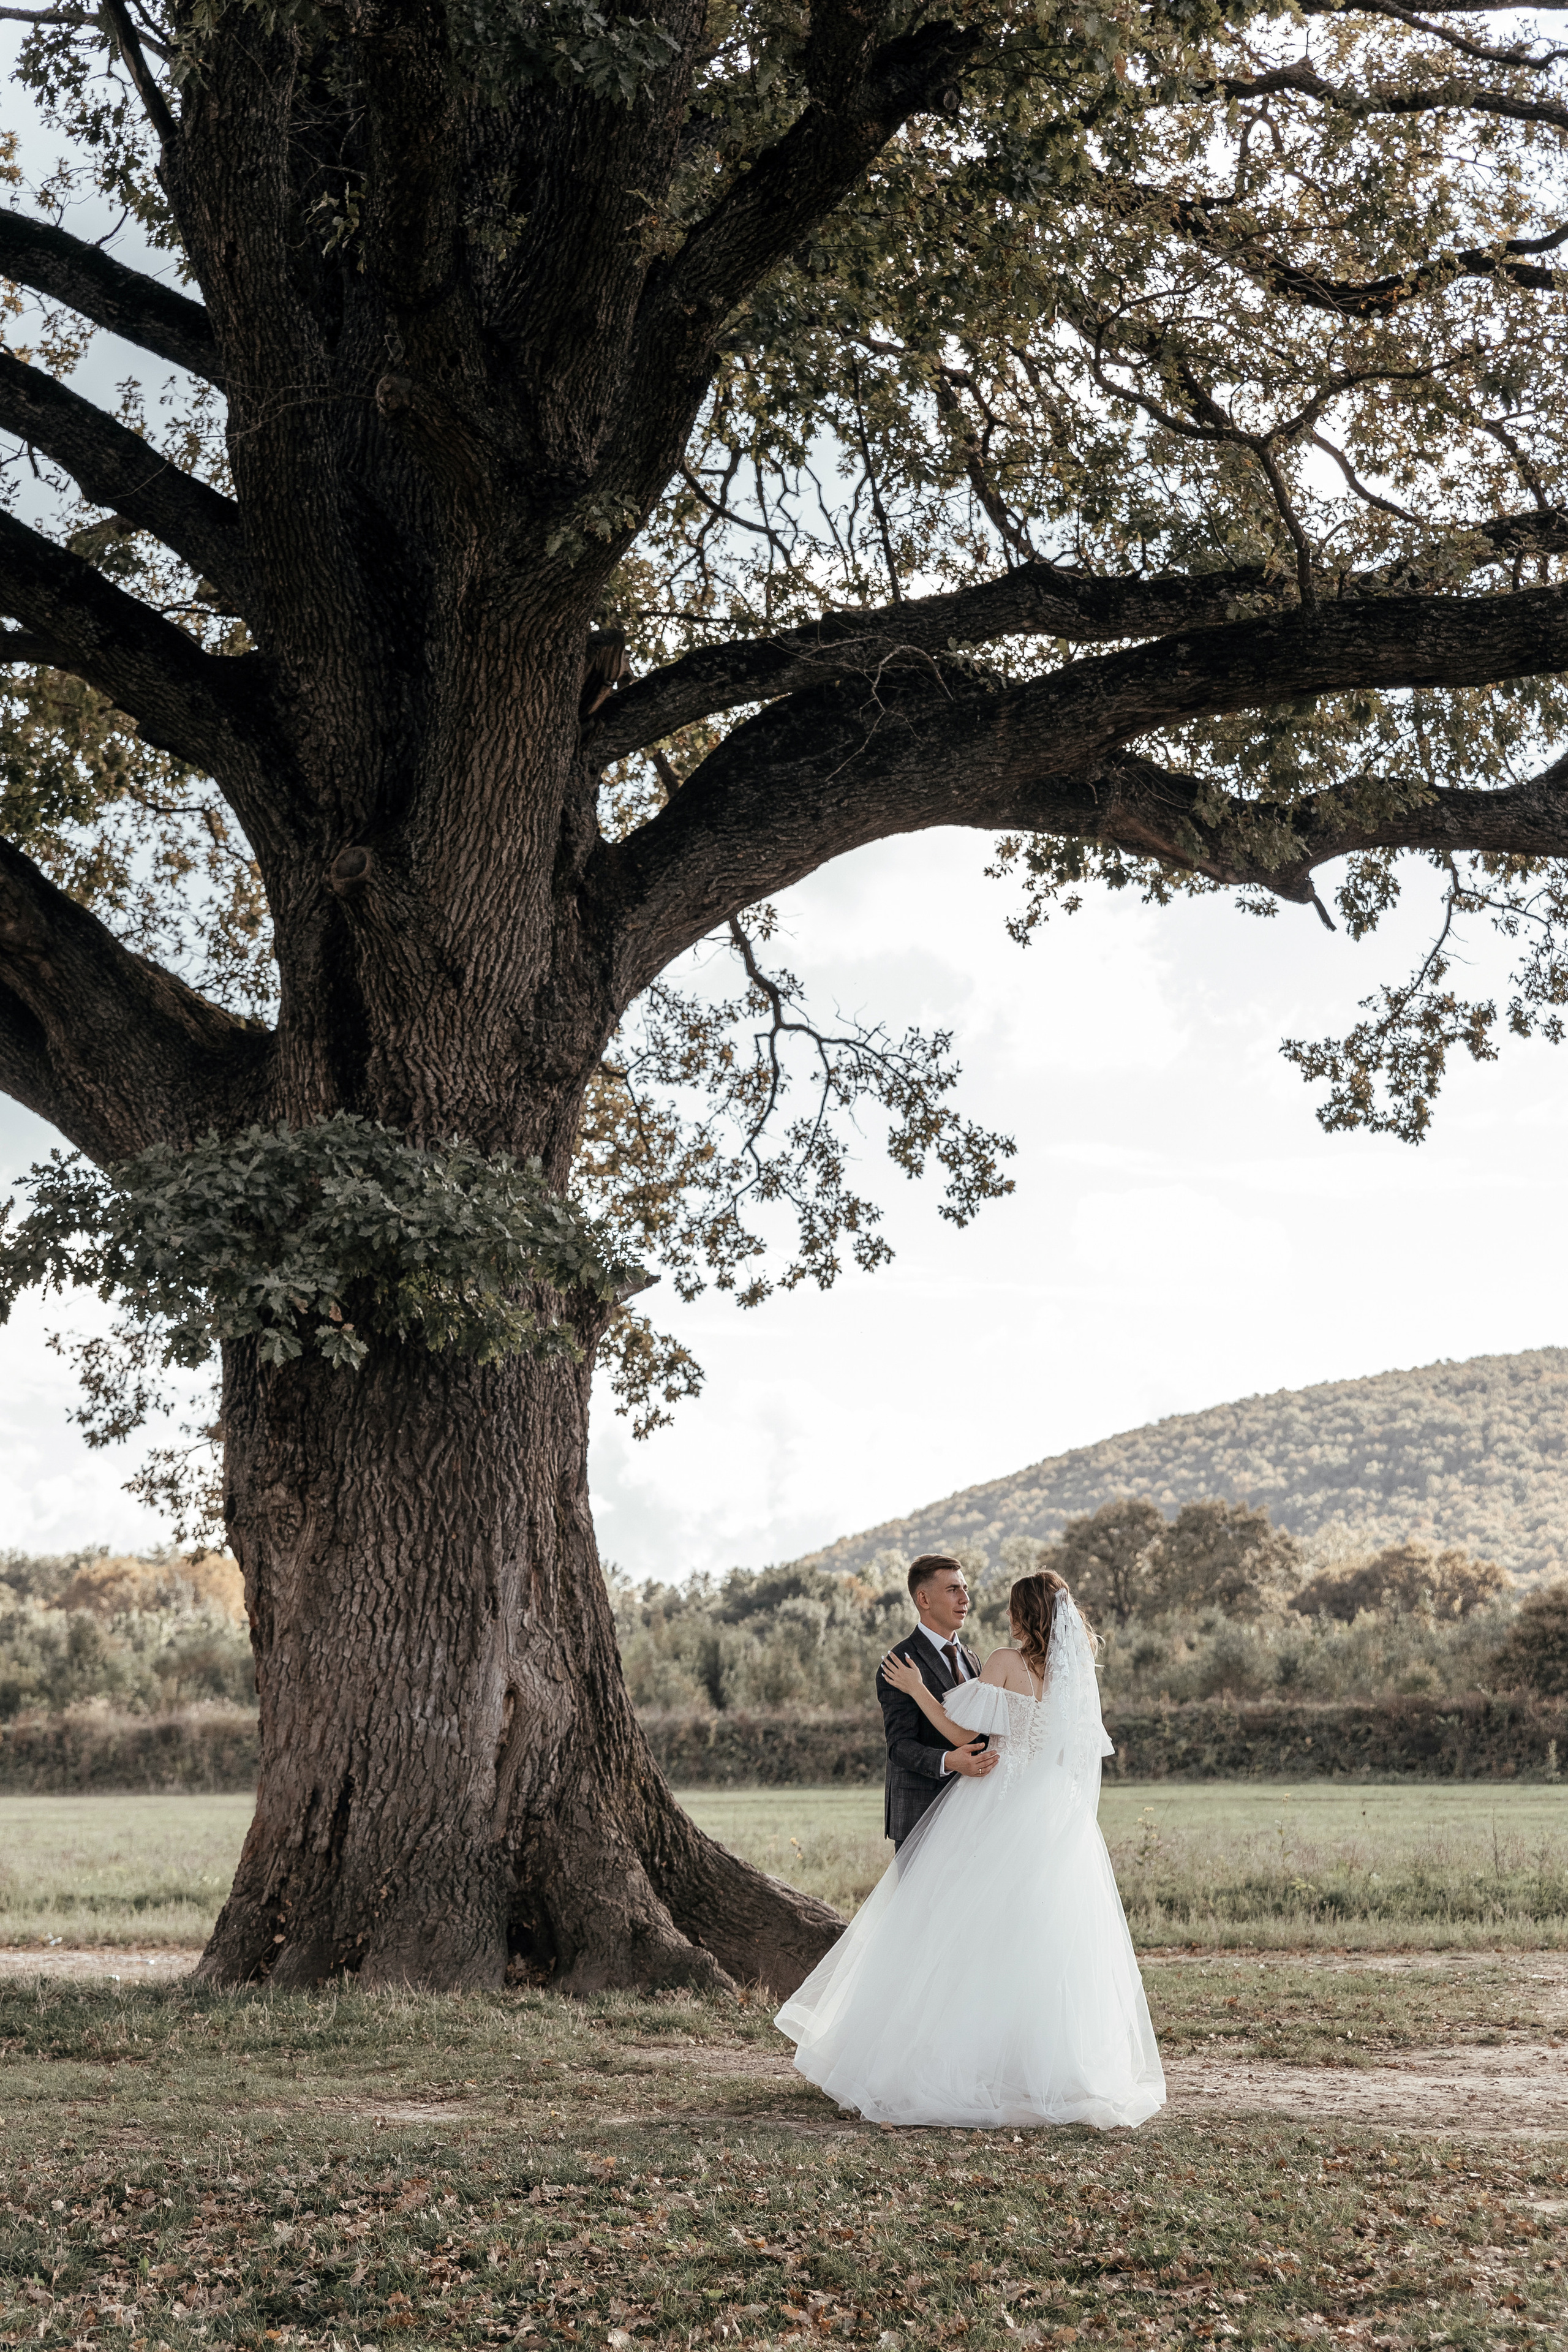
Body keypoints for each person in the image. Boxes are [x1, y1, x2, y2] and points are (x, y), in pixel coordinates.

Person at [775, 1568, 1166, 2131]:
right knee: (1042, 1938)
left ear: (1024, 1615)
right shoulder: (1074, 1679)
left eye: (1010, 1607)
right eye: (955, 1589)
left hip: (998, 1802)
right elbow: (1072, 1750)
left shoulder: (1003, 1661)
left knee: (965, 1931)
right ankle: (1039, 2068)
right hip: (1055, 1813)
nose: (991, 1609)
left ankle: (953, 2060)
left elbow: (963, 1734)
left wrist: (918, 1690)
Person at [876, 1554, 1000, 1848]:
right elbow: (899, 1747)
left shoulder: (972, 1659)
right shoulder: (899, 1663)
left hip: (973, 1811)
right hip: (921, 1813)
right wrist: (949, 1761)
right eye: (953, 1590)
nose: (965, 1599)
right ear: (924, 1599)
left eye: (965, 1589)